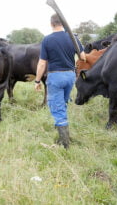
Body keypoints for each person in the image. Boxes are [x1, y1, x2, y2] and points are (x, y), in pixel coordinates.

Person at [34, 14, 86, 149]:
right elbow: (83, 57)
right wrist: (76, 43)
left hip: (55, 76)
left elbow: (42, 64)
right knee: (62, 104)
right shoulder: (73, 38)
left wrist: (37, 80)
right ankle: (63, 136)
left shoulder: (47, 40)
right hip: (70, 76)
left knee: (57, 108)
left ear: (51, 24)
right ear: (63, 23)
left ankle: (64, 144)